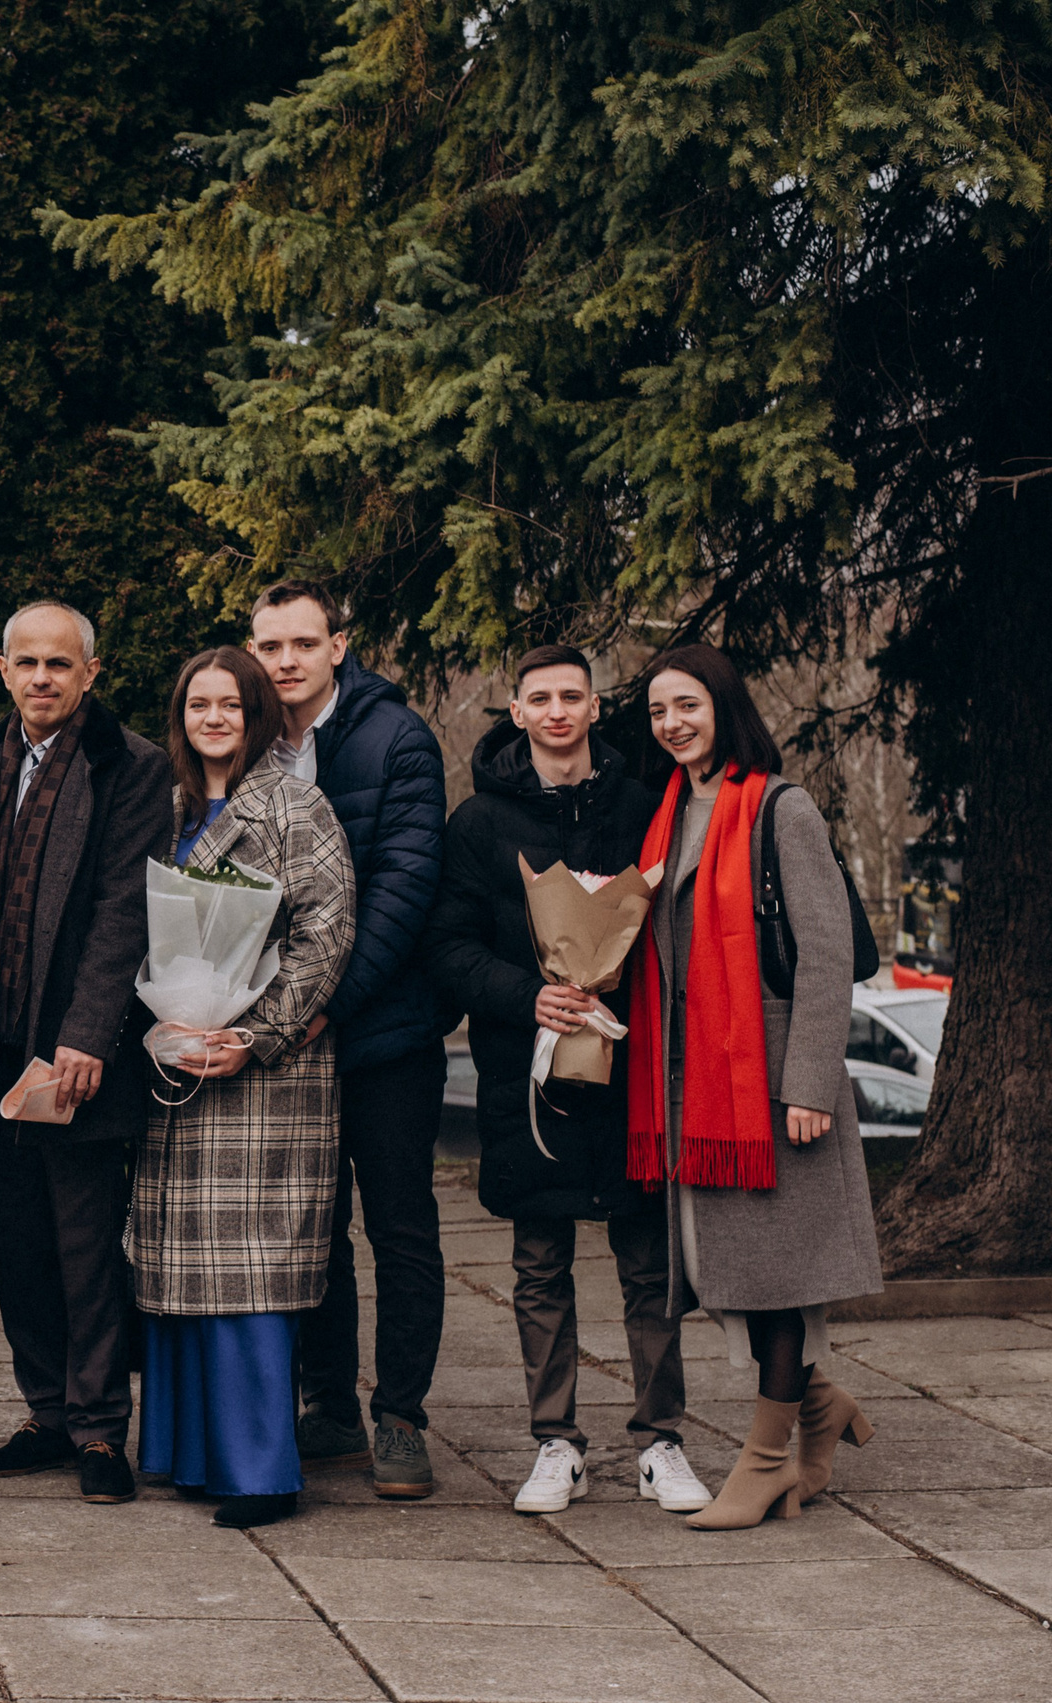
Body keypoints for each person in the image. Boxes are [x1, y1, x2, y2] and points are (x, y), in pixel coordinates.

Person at [424, 646, 709, 1516]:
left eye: (572, 696)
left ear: (594, 708)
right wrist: (529, 993)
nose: (556, 710)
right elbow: (448, 948)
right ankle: (557, 1441)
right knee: (539, 1259)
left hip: (630, 1066)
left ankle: (663, 1439)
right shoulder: (477, 823)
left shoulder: (644, 806)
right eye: (539, 697)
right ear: (516, 711)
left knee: (648, 1260)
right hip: (529, 1071)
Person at [636, 643, 882, 1529]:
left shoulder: (780, 806)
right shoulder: (669, 812)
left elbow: (827, 953)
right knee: (725, 1271)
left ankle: (767, 1460)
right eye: (659, 710)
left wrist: (810, 1079)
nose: (672, 724)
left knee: (777, 1277)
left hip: (771, 1078)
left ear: (723, 705)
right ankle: (821, 1407)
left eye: (687, 705)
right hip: (699, 1078)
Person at [134, 647, 356, 1528]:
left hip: (266, 1075)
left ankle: (262, 1472)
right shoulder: (167, 804)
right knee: (183, 1267)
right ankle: (195, 1453)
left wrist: (254, 1035)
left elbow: (326, 932)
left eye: (231, 703)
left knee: (253, 1269)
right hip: (178, 1061)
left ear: (259, 713)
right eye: (199, 703)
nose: (214, 717)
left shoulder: (297, 803)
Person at [0, 600, 172, 1505]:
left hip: (73, 1043)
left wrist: (88, 1033)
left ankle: (97, 1426)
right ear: (3, 668)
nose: (42, 677)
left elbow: (127, 908)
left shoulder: (130, 764)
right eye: (26, 662)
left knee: (86, 1241)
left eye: (60, 663)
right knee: (15, 1237)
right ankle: (44, 1409)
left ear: (91, 671)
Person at [249, 581, 451, 1499]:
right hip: (288, 1033)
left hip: (384, 1029)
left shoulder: (395, 737)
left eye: (301, 643)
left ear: (340, 643)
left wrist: (325, 1001)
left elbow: (405, 888)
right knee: (310, 1231)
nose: (284, 660)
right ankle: (326, 1403)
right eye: (269, 646)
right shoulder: (246, 738)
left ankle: (400, 1415)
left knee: (400, 1226)